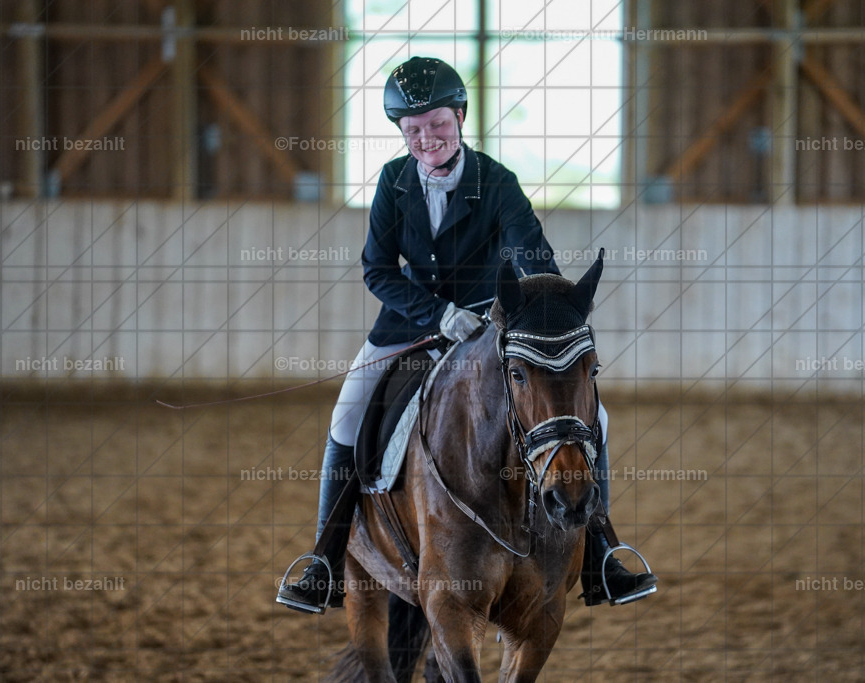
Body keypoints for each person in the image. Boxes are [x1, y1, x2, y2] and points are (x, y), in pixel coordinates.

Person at [276, 56, 657, 613]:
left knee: (594, 417)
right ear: (402, 133)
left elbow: (531, 247)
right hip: (410, 326)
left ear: (459, 117)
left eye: (437, 124)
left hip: (488, 327)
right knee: (347, 417)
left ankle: (601, 552)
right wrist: (437, 314)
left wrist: (538, 298)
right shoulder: (392, 182)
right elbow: (378, 270)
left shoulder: (496, 181)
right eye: (413, 130)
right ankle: (324, 561)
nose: (427, 138)